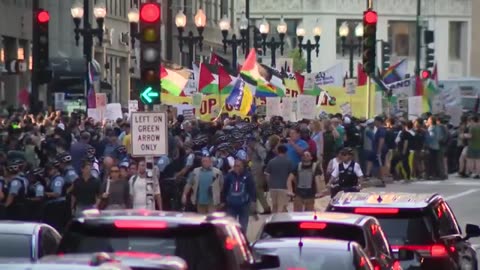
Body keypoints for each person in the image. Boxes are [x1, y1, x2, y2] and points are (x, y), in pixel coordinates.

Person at [222, 159, 256, 233]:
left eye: (238, 166)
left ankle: (242, 238)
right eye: (235, 166)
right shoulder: (229, 176)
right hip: (231, 205)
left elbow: (252, 189)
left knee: (243, 226)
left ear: (243, 167)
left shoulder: (248, 176)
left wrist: (253, 201)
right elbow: (225, 189)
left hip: (244, 204)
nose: (236, 167)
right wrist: (223, 201)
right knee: (230, 225)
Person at [265, 144, 294, 213]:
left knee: (274, 206)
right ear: (286, 152)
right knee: (282, 207)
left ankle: (274, 221)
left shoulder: (271, 161)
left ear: (278, 151)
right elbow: (291, 175)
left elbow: (267, 175)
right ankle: (281, 221)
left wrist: (269, 185)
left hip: (273, 187)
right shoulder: (289, 162)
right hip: (284, 188)